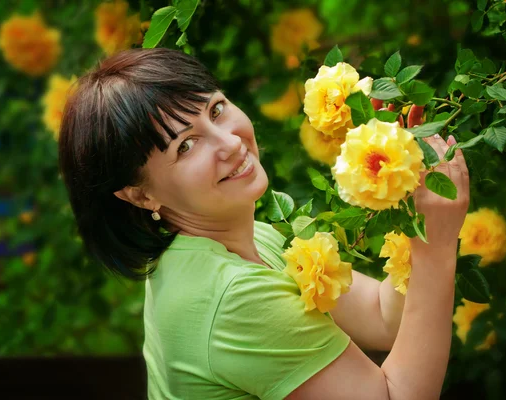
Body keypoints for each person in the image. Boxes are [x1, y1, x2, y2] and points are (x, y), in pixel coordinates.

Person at [58, 48, 469, 400]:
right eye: (185, 145)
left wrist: (407, 197)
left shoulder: (239, 237)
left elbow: (381, 317)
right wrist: (436, 243)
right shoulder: (232, 298)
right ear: (141, 195)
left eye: (216, 110)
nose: (231, 142)